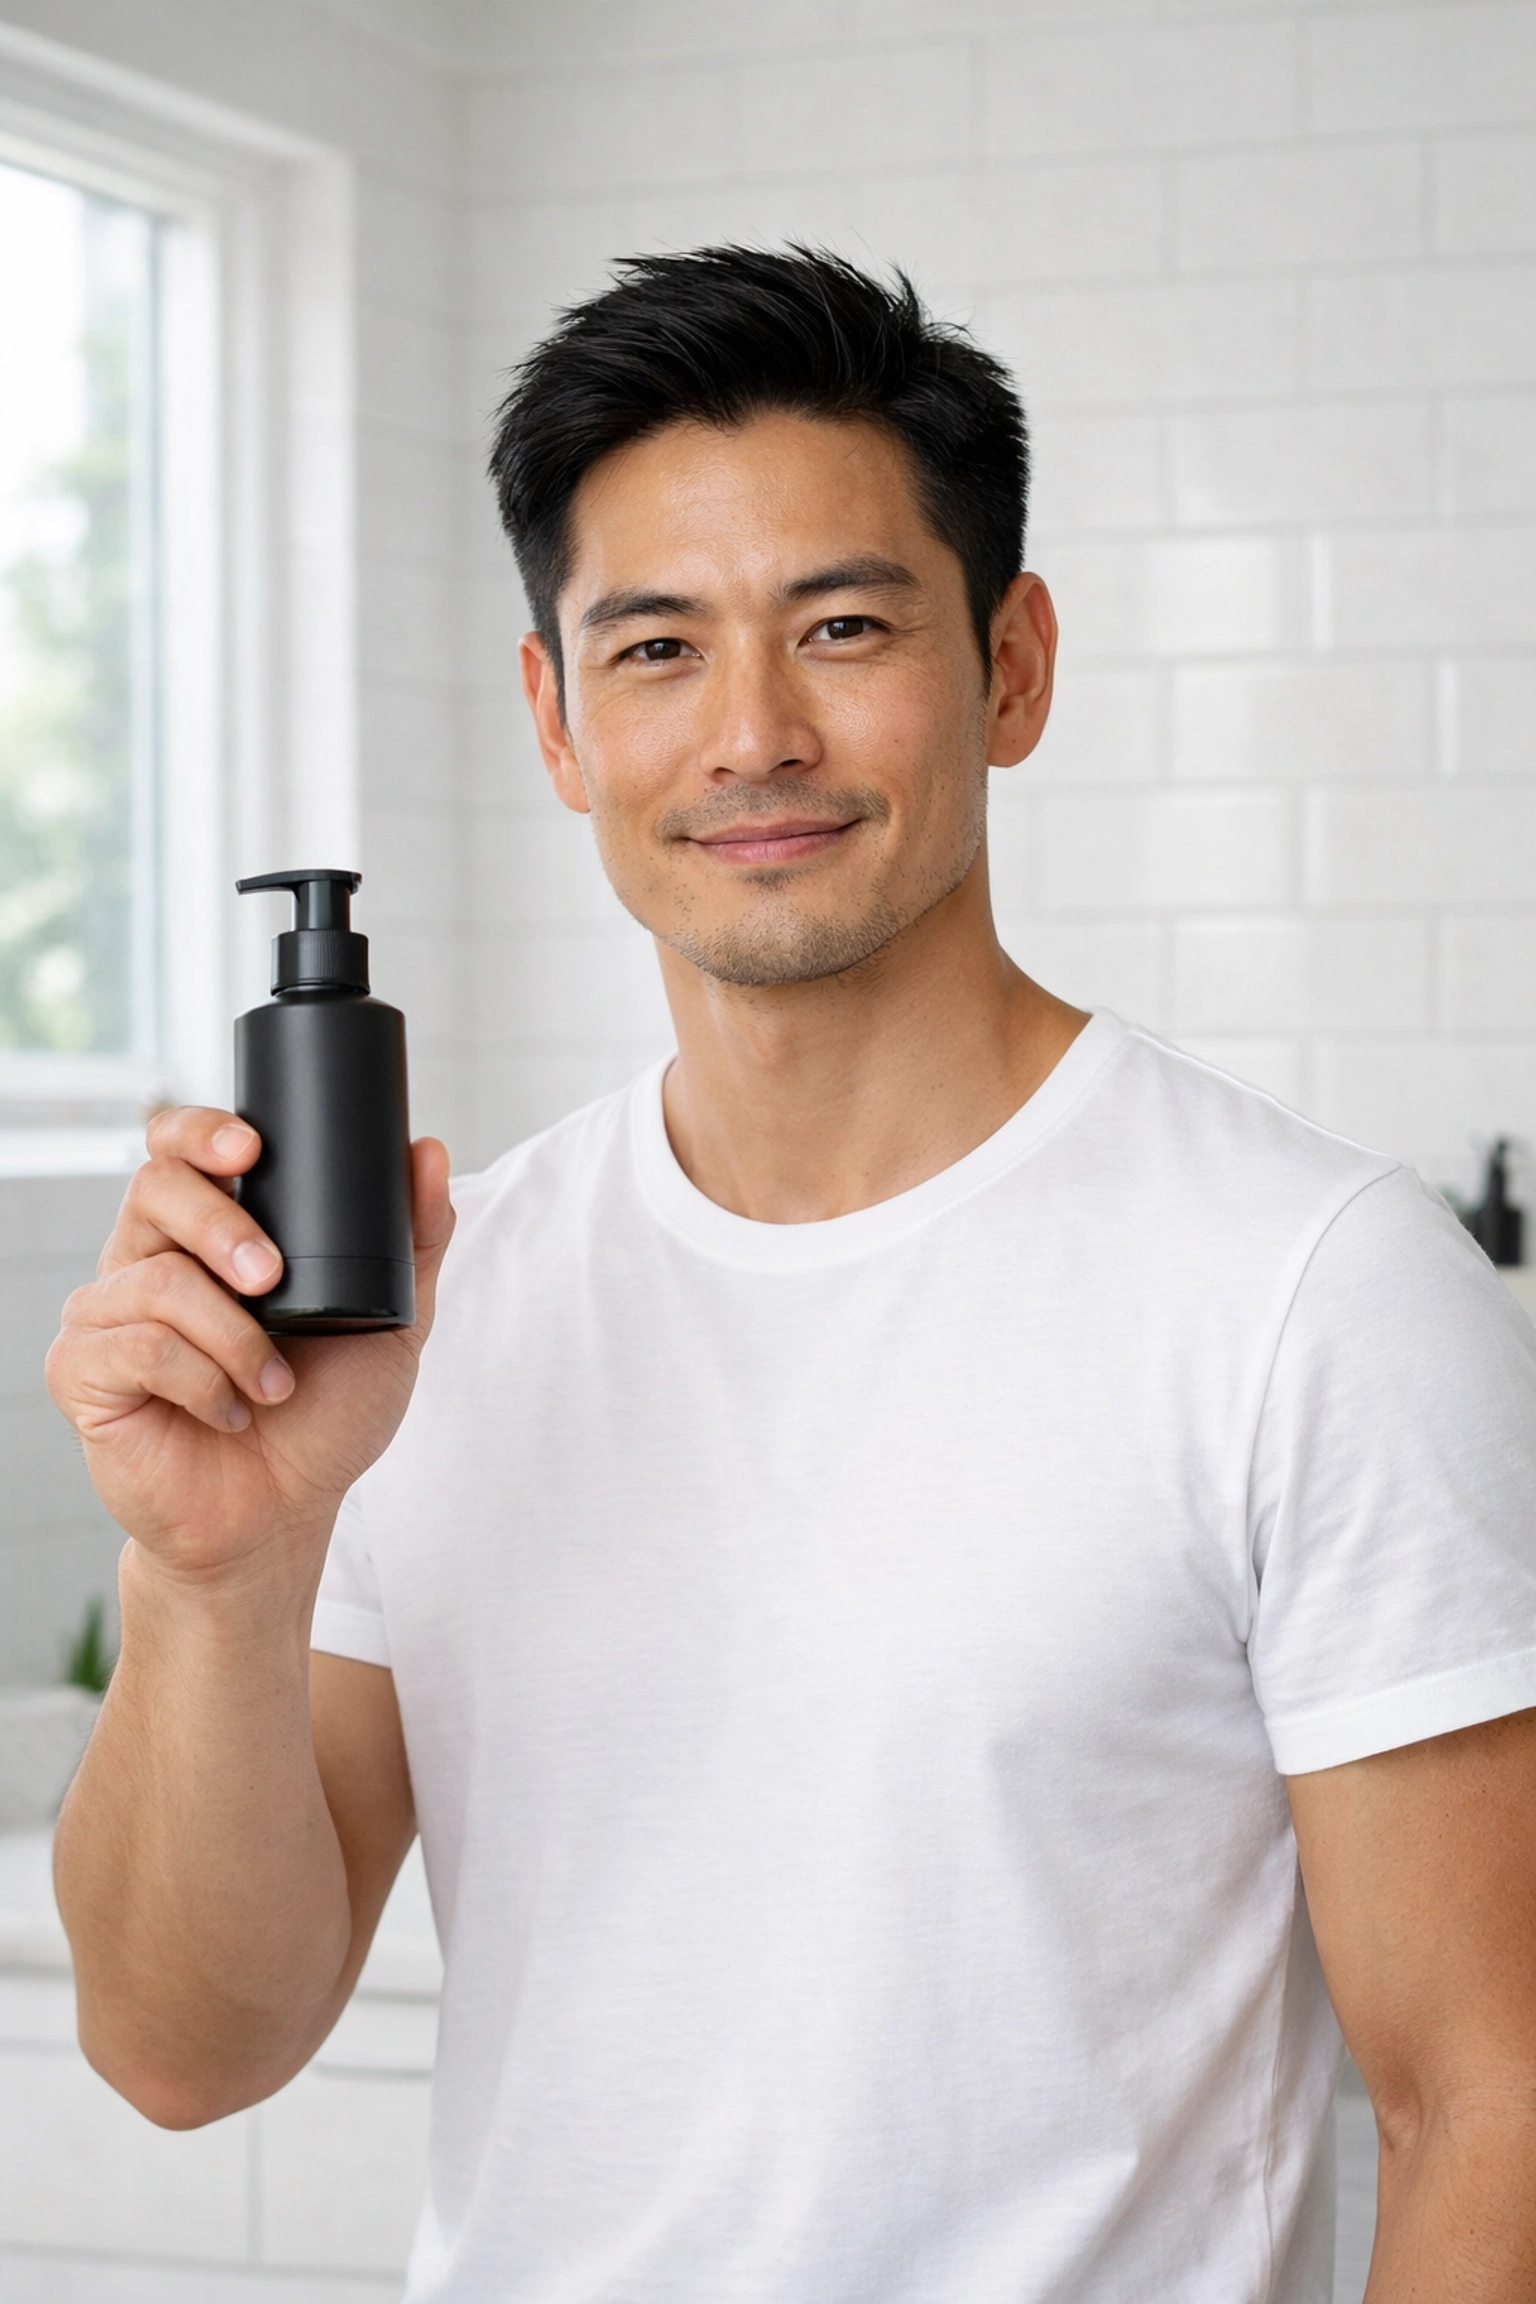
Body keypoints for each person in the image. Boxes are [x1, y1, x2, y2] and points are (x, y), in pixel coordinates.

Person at [47, 247, 1536, 2302]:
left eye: (843, 626)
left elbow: (1493, 2105)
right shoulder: (439, 1308)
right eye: (653, 648)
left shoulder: (1314, 1291)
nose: (752, 733)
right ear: (556, 719)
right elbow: (182, 2052)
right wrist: (214, 1569)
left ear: (1011, 665)